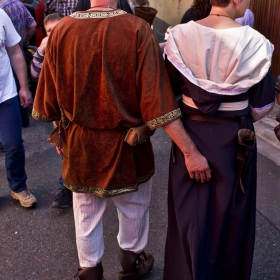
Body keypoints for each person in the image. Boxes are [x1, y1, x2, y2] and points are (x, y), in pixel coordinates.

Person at [32, 0, 211, 279]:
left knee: (86, 213)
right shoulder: (137, 29)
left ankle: (89, 271)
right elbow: (158, 103)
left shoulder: (63, 29)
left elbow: (49, 98)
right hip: (128, 145)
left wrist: (60, 134)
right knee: (134, 206)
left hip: (81, 144)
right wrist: (190, 151)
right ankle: (132, 263)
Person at [163, 0, 275, 279]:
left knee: (189, 218)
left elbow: (166, 98)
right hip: (235, 143)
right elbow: (261, 107)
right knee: (231, 220)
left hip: (190, 137)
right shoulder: (257, 43)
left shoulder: (179, 36)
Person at [30, 13, 73, 209]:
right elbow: (35, 74)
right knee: (64, 148)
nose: (54, 34)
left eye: (58, 28)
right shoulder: (45, 51)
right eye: (50, 31)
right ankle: (66, 188)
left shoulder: (74, 46)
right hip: (59, 113)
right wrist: (40, 50)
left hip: (76, 109)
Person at [0, 8, 37, 207]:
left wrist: (24, 87)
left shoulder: (1, 15)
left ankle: (18, 187)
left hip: (6, 93)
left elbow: (15, 52)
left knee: (13, 143)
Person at [0, 0, 37, 128]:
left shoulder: (2, 10)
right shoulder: (18, 4)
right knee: (20, 84)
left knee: (12, 86)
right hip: (19, 47)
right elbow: (32, 25)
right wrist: (25, 39)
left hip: (7, 53)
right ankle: (24, 120)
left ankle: (16, 122)